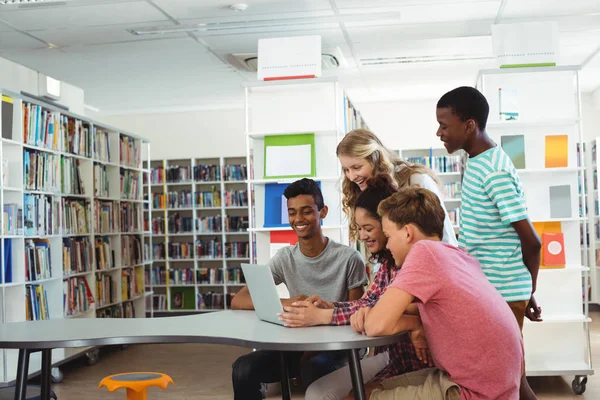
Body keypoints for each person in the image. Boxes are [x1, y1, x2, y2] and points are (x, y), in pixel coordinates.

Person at [350, 186, 523, 400]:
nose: (389, 245)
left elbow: (377, 325)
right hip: (490, 384)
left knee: (357, 396)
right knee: (365, 390)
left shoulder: (424, 253)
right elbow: (422, 310)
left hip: (474, 392)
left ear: (407, 233)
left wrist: (402, 321)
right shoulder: (456, 255)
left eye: (389, 236)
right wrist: (413, 322)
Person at [279, 175, 427, 400]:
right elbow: (368, 303)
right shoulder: (387, 263)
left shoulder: (409, 263)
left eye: (368, 228)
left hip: (409, 360)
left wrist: (324, 315)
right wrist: (331, 306)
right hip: (396, 356)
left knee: (327, 390)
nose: (362, 235)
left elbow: (378, 313)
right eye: (359, 228)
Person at [436, 86, 542, 400]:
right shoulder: (478, 162)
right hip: (496, 291)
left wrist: (527, 289)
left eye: (444, 125)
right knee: (511, 382)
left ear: (469, 125)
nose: (439, 132)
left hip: (503, 294)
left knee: (511, 385)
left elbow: (532, 242)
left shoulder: (493, 169)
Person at [230, 178, 368, 400]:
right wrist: (287, 303)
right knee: (243, 368)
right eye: (292, 213)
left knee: (314, 368)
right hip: (297, 345)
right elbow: (239, 300)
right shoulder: (285, 258)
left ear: (322, 212)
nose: (298, 219)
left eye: (306, 211)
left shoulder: (349, 258)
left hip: (338, 346)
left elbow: (358, 310)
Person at [336, 128, 457, 246]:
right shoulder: (362, 191)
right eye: (346, 170)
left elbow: (447, 239)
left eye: (357, 168)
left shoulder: (417, 180)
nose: (351, 177)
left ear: (376, 159)